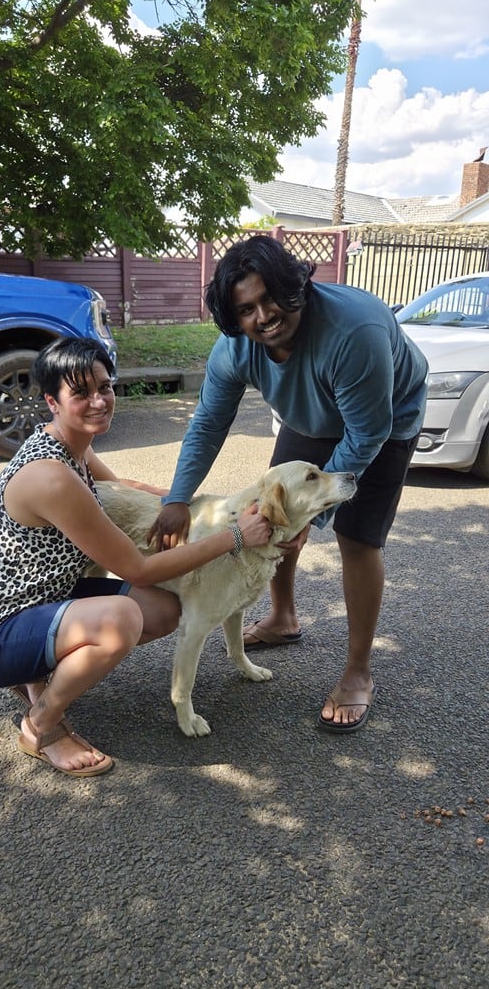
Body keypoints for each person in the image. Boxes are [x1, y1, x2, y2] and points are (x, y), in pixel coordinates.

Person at [0, 336, 271, 776]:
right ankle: (41, 725)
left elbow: (126, 487)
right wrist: (234, 535)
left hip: (41, 601)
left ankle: (37, 675)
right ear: (52, 402)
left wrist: (201, 506)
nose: (99, 401)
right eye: (81, 393)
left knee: (163, 608)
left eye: (105, 387)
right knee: (122, 620)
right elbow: (138, 568)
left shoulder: (72, 447)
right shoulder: (51, 478)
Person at [150, 235, 428, 733]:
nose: (264, 317)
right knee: (274, 510)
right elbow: (208, 423)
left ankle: (358, 672)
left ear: (292, 284)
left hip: (384, 421)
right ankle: (283, 618)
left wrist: (314, 517)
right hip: (310, 414)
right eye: (246, 309)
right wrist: (176, 499)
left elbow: (366, 433)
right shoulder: (236, 346)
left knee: (357, 538)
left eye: (270, 297)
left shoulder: (354, 330)